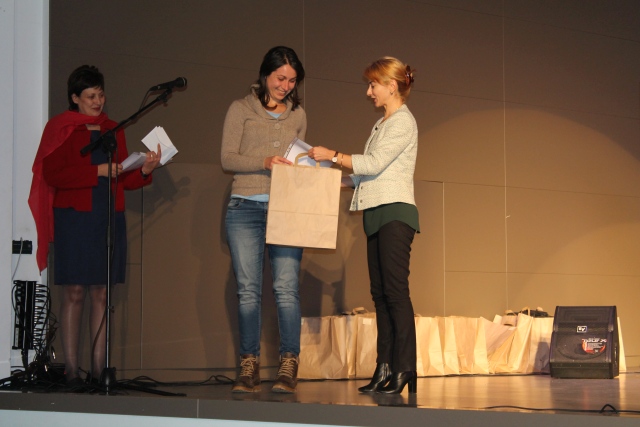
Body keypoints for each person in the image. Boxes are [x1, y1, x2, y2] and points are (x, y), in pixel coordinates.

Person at [28, 65, 161, 385]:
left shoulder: (113, 129)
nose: (98, 101)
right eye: (90, 96)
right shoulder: (60, 128)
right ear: (75, 98)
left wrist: (144, 170)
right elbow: (52, 174)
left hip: (107, 217)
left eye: (101, 95)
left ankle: (100, 372)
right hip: (74, 218)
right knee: (74, 292)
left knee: (102, 293)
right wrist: (97, 172)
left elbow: (122, 178)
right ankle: (72, 372)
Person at [308, 57, 419, 394]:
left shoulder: (402, 121)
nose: (369, 91)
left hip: (396, 213)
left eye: (373, 85)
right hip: (376, 213)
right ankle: (385, 366)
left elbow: (373, 163)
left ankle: (405, 367)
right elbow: (368, 174)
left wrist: (333, 155)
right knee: (380, 295)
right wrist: (331, 180)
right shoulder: (382, 124)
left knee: (395, 293)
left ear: (392, 86)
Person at [221, 46, 306, 394]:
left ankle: (289, 364)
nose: (285, 86)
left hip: (286, 208)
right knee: (248, 292)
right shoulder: (240, 108)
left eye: (292, 81)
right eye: (280, 78)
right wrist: (265, 161)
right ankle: (249, 364)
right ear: (265, 74)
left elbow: (297, 160)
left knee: (287, 290)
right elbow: (227, 158)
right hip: (245, 207)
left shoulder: (298, 114)